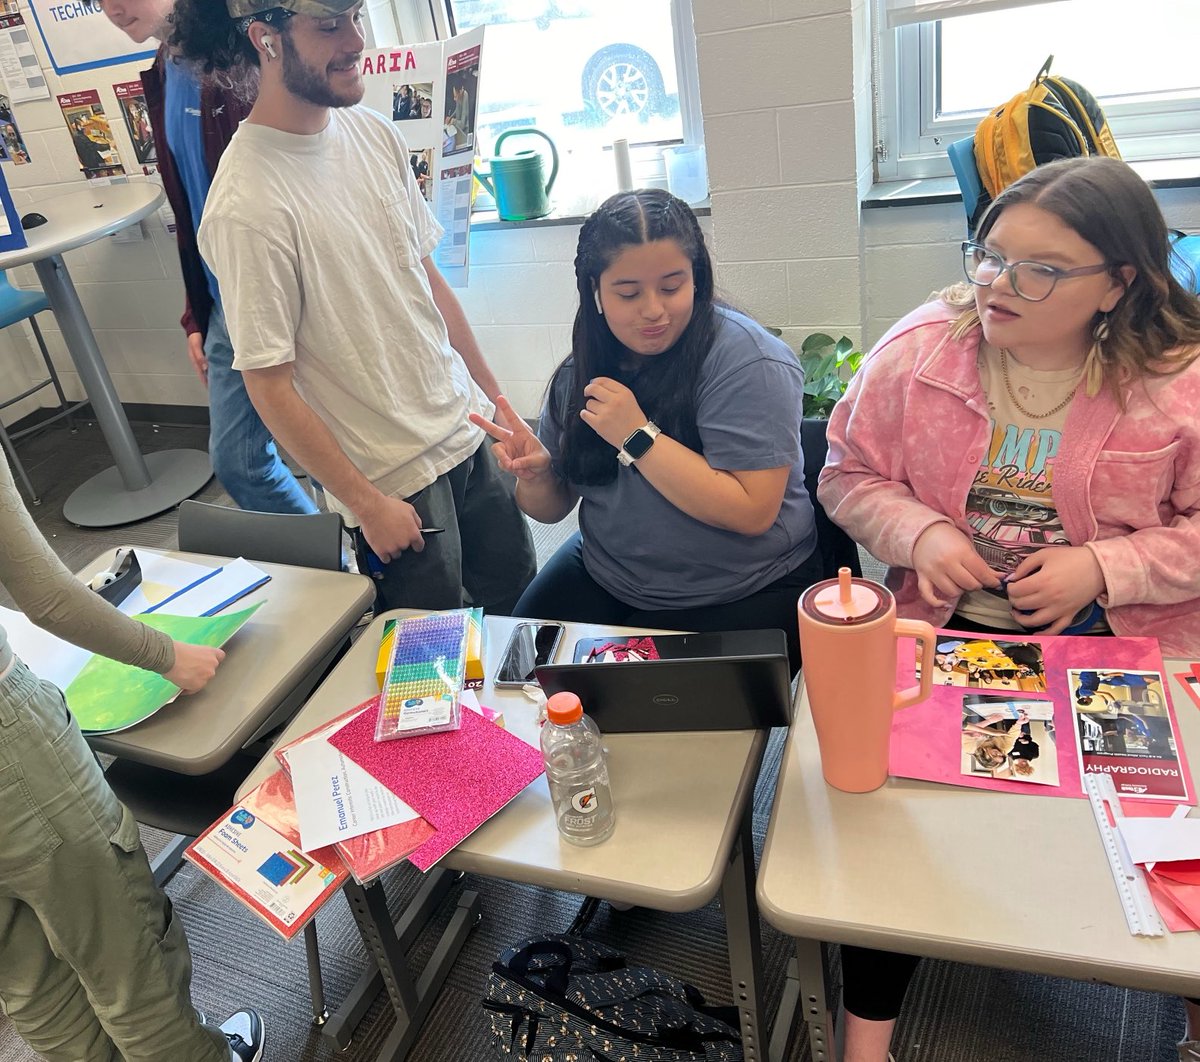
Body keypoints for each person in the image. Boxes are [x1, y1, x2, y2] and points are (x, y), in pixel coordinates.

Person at [819, 156, 1200, 1061]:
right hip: (951, 634)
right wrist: (917, 532)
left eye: (1040, 270)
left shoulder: (1179, 383)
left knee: (1167, 851)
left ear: (1120, 283)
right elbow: (845, 472)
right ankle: (864, 1043)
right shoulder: (919, 352)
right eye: (988, 256)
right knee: (897, 835)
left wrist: (1105, 567)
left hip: (1124, 644)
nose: (996, 285)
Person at [171, 0, 535, 615]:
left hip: (468, 431)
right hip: (392, 482)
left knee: (516, 608)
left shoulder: (372, 132)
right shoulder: (246, 204)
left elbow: (430, 288)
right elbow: (268, 386)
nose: (356, 40)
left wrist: (501, 407)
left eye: (357, 17)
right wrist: (367, 507)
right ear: (267, 39)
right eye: (329, 25)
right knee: (431, 663)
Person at [472, 188, 822, 673]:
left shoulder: (748, 361)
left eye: (672, 286)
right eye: (629, 293)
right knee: (519, 681)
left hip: (745, 584)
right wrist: (534, 477)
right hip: (610, 573)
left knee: (664, 726)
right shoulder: (583, 370)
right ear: (595, 291)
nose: (653, 309)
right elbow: (550, 511)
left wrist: (636, 435)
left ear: (697, 279)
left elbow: (752, 511)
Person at [0, 453, 265, 1062]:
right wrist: (166, 654)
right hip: (12, 753)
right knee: (129, 964)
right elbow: (45, 596)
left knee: (27, 980)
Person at [99, 0, 319, 518]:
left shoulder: (242, 58)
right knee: (240, 463)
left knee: (353, 448)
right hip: (227, 301)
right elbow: (194, 205)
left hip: (294, 294)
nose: (111, 7)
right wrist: (196, 313)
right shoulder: (164, 69)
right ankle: (341, 571)